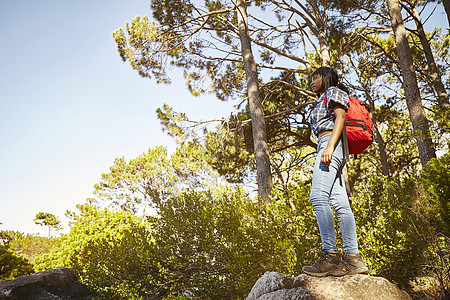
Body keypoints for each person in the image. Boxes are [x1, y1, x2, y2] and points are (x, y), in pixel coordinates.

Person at [302, 67, 369, 277]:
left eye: (316, 77)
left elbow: (340, 117)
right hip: (328, 143)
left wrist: (330, 146)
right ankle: (353, 259)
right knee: (340, 203)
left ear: (326, 77)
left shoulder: (333, 91)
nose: (312, 81)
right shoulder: (322, 98)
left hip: (331, 143)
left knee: (317, 196)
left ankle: (330, 257)